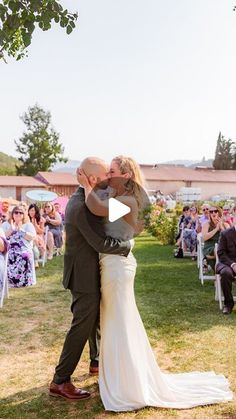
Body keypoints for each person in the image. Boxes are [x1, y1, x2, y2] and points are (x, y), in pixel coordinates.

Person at [80, 155, 232, 412]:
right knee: (117, 321)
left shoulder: (128, 199)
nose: (108, 175)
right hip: (113, 264)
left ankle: (128, 384)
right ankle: (120, 375)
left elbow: (96, 207)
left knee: (118, 321)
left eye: (113, 171)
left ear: (126, 175)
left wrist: (86, 184)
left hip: (118, 267)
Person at [49, 157, 132, 401]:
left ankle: (95, 362)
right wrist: (127, 245)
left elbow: (122, 209)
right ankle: (60, 380)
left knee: (95, 318)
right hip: (82, 275)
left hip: (91, 269)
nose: (109, 179)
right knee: (82, 324)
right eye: (106, 176)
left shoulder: (93, 196)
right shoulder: (79, 206)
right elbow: (99, 242)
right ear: (94, 179)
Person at [1, 206, 37, 288]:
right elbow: (2, 237)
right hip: (9, 248)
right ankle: (10, 281)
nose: (18, 214)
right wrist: (11, 229)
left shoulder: (28, 225)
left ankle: (24, 281)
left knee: (25, 255)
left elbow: (32, 237)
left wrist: (21, 230)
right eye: (16, 212)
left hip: (24, 248)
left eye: (21, 212)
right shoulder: (6, 224)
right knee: (9, 255)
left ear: (24, 215)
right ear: (12, 214)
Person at [202, 206, 230, 273]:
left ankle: (207, 259)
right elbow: (205, 237)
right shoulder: (207, 224)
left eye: (215, 211)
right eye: (211, 212)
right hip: (210, 248)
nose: (213, 213)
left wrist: (221, 227)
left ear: (219, 213)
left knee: (222, 252)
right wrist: (216, 229)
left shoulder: (226, 225)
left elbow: (229, 239)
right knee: (217, 249)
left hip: (223, 249)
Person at [216, 225, 236, 314]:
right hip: (228, 263)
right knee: (225, 273)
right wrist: (233, 264)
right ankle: (228, 304)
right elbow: (221, 253)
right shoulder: (225, 233)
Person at [28, 203, 46, 268]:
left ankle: (35, 261)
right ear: (28, 211)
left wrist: (35, 225)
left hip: (38, 237)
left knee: (34, 238)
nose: (33, 212)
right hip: (28, 237)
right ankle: (35, 259)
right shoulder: (26, 219)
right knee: (31, 238)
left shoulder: (40, 219)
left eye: (34, 210)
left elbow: (41, 231)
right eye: (31, 210)